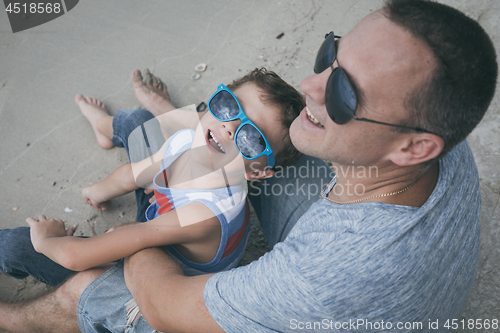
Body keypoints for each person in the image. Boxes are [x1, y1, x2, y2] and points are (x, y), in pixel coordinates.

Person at [0, 0, 497, 332]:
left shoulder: (326, 270)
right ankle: (148, 122)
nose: (311, 83)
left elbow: (166, 304)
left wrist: (148, 230)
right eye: (331, 56)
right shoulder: (432, 123)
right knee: (229, 138)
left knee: (87, 285)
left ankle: (14, 320)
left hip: (301, 297)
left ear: (415, 148)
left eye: (346, 94)